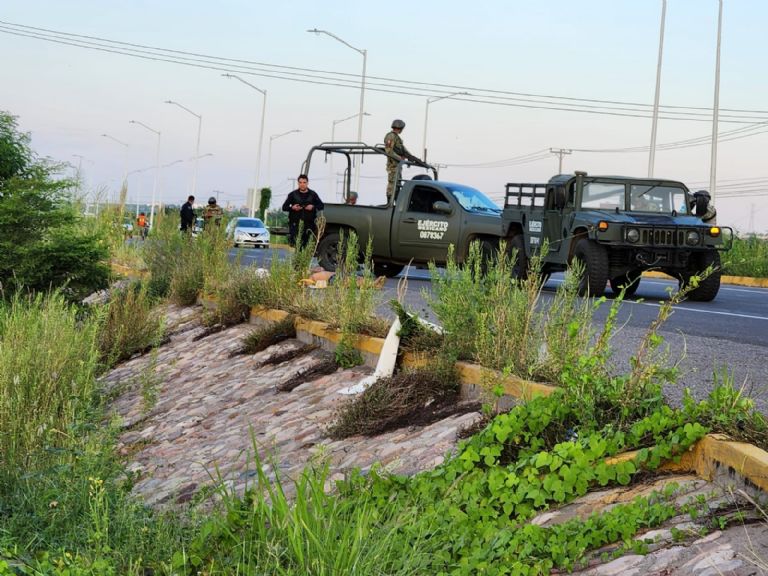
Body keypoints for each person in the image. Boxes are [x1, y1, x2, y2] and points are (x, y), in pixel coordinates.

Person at [384, 119, 424, 202]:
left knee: (397, 184)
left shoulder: (397, 138)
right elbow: (389, 151)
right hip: (393, 165)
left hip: (397, 165)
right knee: (393, 184)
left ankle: (394, 202)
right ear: (400, 128)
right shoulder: (390, 136)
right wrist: (400, 158)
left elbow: (404, 151)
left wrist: (412, 158)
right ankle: (389, 203)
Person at [282, 174, 324, 248]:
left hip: (309, 225)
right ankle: (298, 259)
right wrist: (292, 208)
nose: (302, 184)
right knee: (297, 245)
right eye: (300, 182)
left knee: (307, 246)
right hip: (295, 225)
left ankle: (304, 259)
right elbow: (284, 207)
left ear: (307, 183)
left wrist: (313, 207)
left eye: (304, 182)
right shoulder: (292, 194)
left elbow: (321, 206)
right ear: (298, 183)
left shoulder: (313, 194)